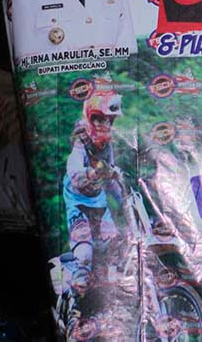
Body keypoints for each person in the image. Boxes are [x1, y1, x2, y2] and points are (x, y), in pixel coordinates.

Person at [63, 92, 124, 282]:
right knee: (84, 252)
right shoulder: (81, 141)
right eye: (99, 119)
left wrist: (123, 196)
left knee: (113, 242)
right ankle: (74, 288)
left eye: (108, 120)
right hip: (77, 200)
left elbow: (111, 175)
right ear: (91, 118)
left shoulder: (107, 145)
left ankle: (112, 286)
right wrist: (93, 172)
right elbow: (74, 173)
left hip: (98, 199)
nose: (104, 125)